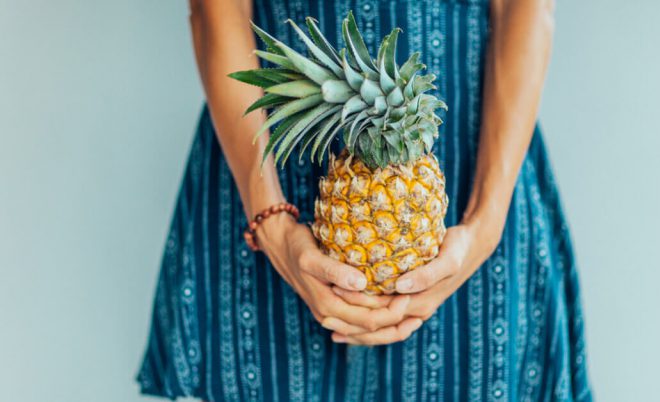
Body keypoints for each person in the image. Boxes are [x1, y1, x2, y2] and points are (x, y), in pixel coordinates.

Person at [137, 0, 592, 400]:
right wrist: (270, 220)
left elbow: (526, 6)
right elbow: (216, 8)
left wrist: (486, 224)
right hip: (268, 162)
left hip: (474, 169)